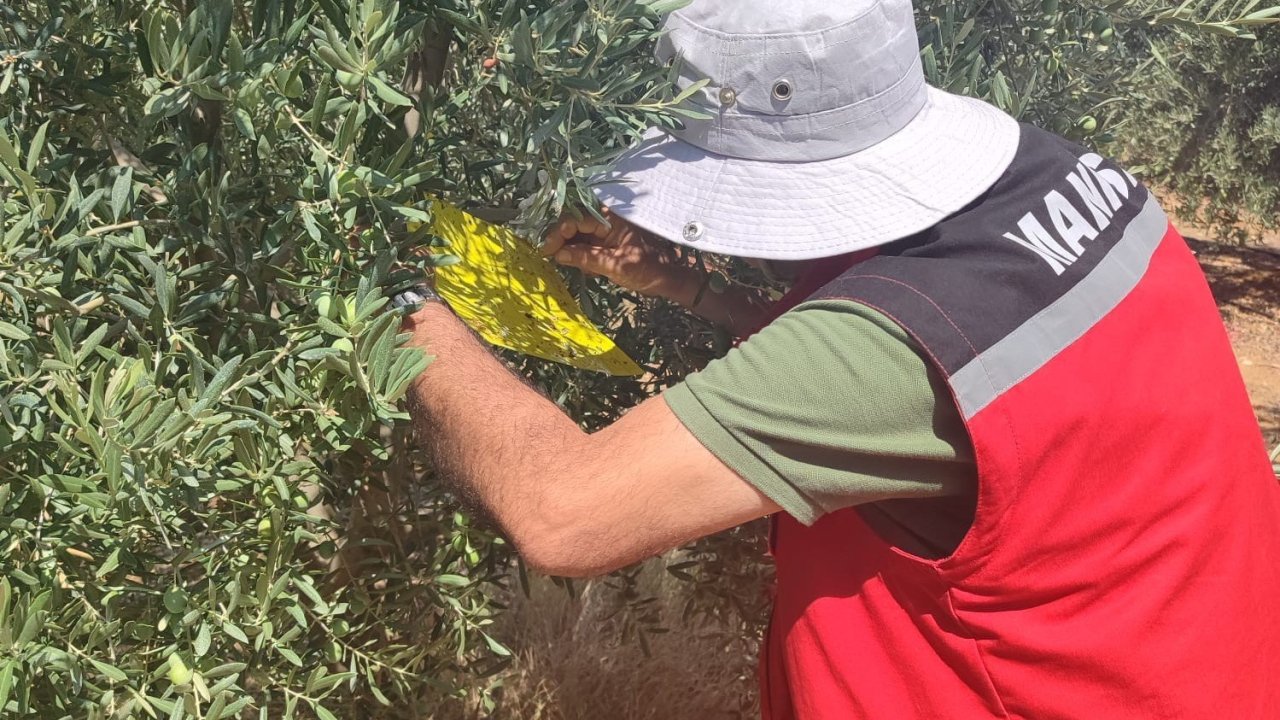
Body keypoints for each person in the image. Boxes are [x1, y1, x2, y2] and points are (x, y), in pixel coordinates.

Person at [394, 0, 1280, 717]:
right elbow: (939, 398)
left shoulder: (896, 345)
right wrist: (694, 290)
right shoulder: (1077, 183)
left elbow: (566, 515)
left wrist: (390, 300)